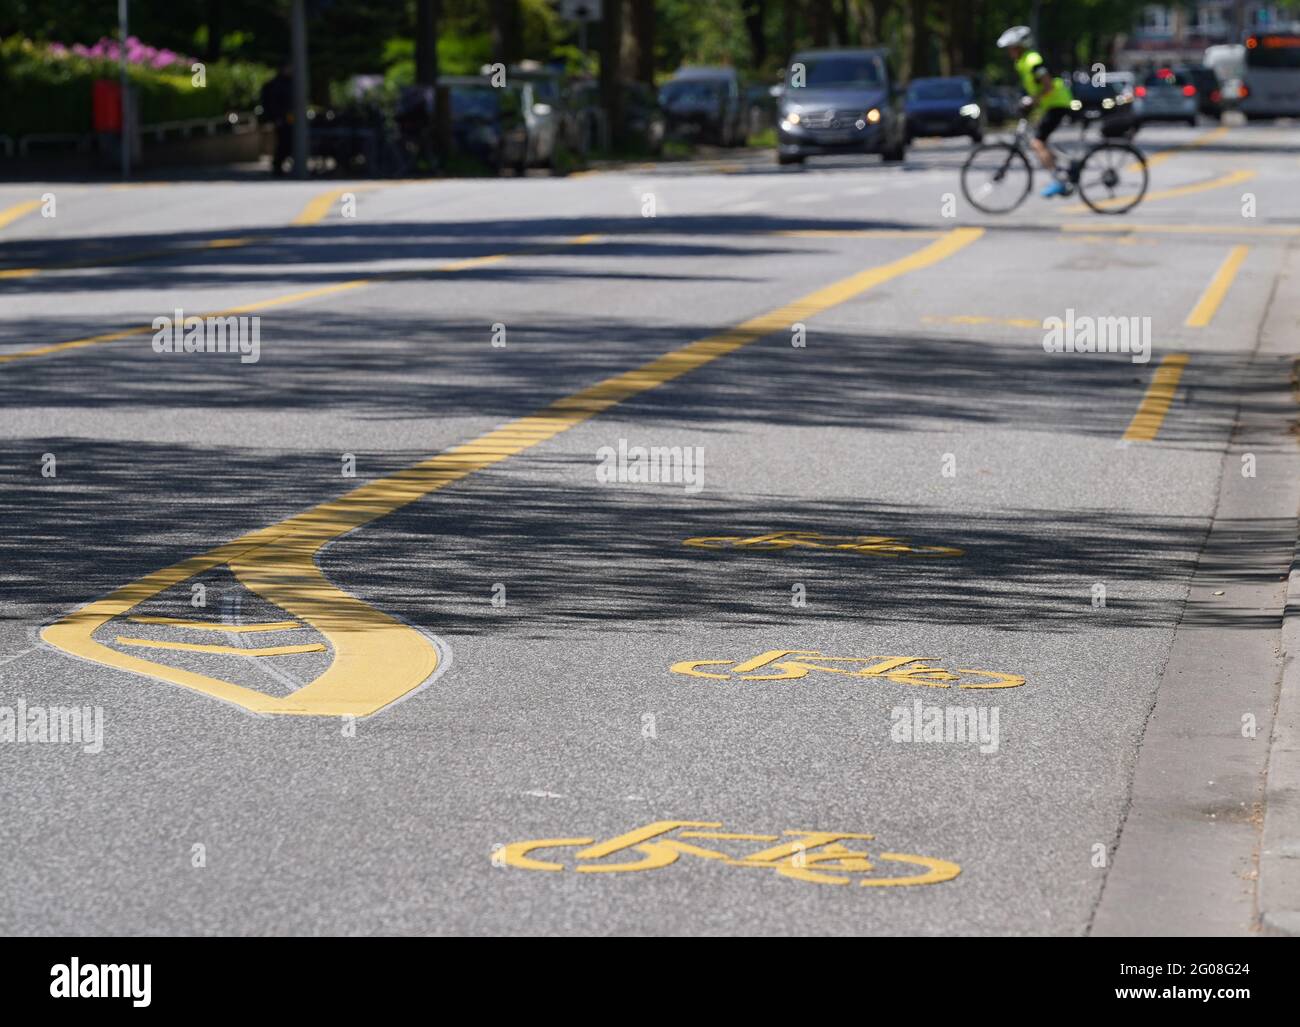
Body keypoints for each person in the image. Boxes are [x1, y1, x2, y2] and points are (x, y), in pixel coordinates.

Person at [996, 26, 1074, 197]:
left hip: (1057, 102)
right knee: (1041, 141)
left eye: (1011, 48)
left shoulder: (1032, 61)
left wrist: (1032, 101)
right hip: (1052, 104)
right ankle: (1066, 168)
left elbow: (1048, 85)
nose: (1009, 53)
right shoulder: (1024, 61)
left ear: (1019, 47)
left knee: (1037, 143)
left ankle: (1059, 181)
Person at [260, 64, 294, 177]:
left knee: (286, 143)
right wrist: (277, 118)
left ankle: (279, 166)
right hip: (281, 119)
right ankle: (277, 166)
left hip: (287, 119)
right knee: (284, 143)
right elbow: (275, 104)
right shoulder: (278, 84)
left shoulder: (288, 82)